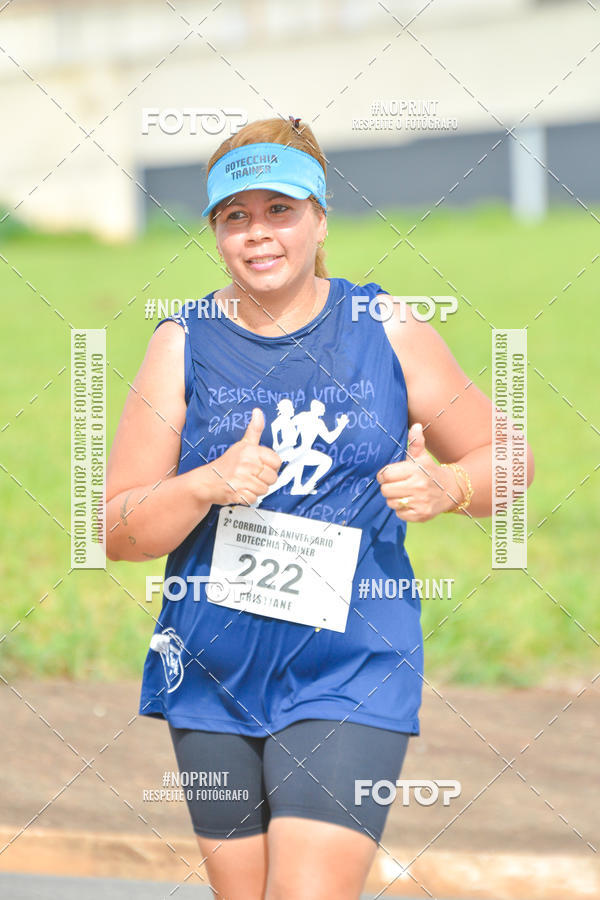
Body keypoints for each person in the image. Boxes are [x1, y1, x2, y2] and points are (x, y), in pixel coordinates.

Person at [105, 115, 534, 900]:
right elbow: (118, 530)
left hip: (352, 665)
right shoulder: (181, 343)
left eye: (280, 211)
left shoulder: (388, 328)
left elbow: (510, 457)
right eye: (237, 216)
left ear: (319, 220)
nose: (258, 234)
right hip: (214, 670)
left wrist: (450, 487)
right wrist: (202, 484)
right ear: (215, 231)